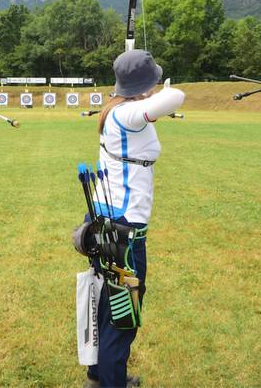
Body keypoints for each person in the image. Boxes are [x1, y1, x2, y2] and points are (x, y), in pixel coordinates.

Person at [85, 49, 185, 388]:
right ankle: (111, 382)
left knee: (108, 299)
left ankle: (100, 372)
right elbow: (178, 96)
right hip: (124, 227)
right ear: (144, 86)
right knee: (123, 310)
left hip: (109, 218)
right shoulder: (127, 113)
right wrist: (150, 98)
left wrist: (145, 98)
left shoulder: (117, 111)